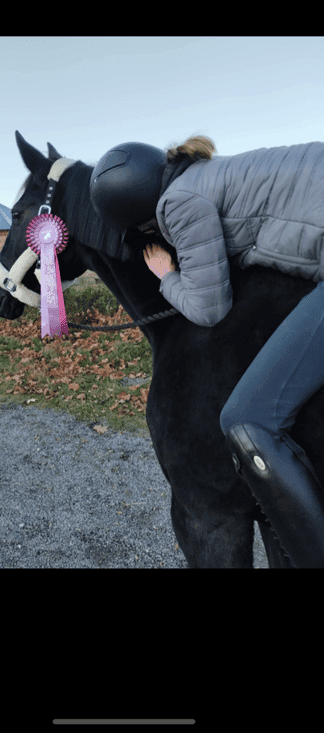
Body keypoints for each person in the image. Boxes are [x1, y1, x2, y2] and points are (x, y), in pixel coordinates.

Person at [90, 136, 324, 568]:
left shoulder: (179, 201)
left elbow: (210, 308)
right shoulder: (204, 175)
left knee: (248, 417)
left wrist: (165, 275)